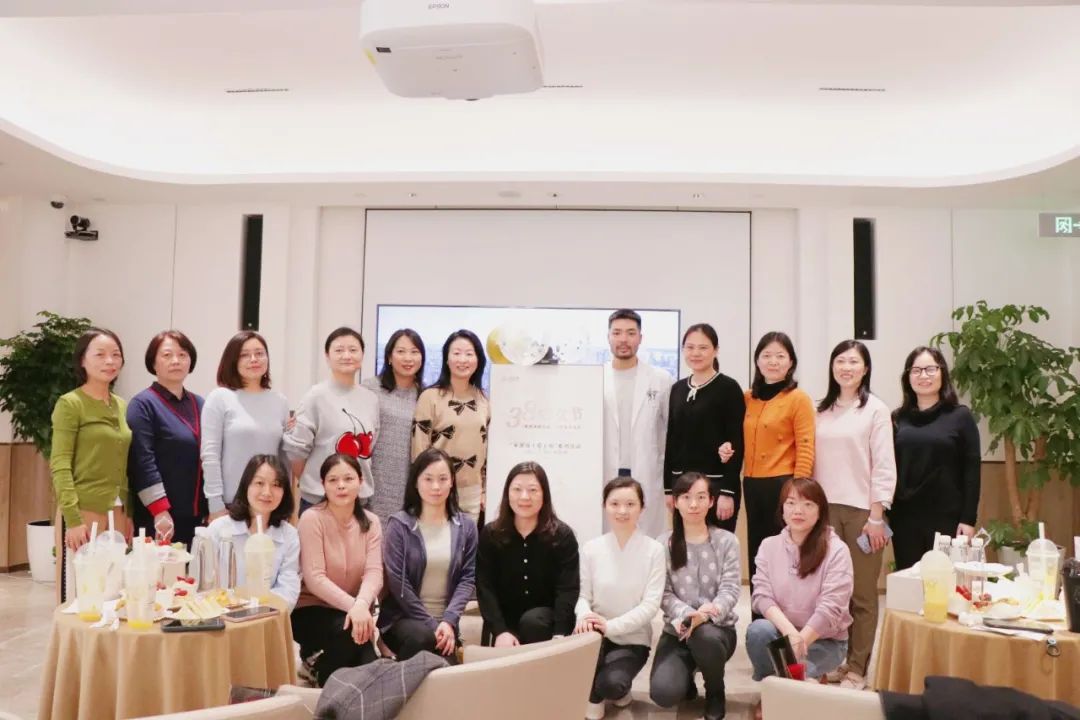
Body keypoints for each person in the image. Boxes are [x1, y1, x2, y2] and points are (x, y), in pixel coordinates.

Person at [813, 340, 896, 690]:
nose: (846, 368)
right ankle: (838, 661)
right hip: (823, 512)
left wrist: (877, 516)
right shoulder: (820, 409)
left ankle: (858, 667)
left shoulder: (876, 410)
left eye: (853, 362)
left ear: (865, 369)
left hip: (863, 513)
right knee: (831, 592)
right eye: (840, 361)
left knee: (862, 594)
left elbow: (884, 465)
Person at [649, 473, 741, 720]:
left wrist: (707, 614)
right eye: (686, 497)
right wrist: (688, 615)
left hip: (717, 631)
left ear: (711, 501)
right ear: (675, 502)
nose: (693, 504)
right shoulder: (663, 544)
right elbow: (663, 593)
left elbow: (731, 589)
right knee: (663, 693)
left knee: (704, 636)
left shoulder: (727, 541)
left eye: (701, 497)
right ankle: (686, 678)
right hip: (677, 632)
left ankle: (715, 692)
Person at [50, 328, 133, 600]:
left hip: (117, 510)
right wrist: (73, 520)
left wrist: (129, 513)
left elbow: (124, 463)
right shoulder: (70, 404)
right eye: (100, 355)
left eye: (116, 355)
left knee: (114, 592)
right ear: (82, 361)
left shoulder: (121, 405)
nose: (110, 361)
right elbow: (60, 464)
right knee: (80, 594)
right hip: (84, 509)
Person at [746, 477, 853, 684]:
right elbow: (761, 596)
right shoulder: (769, 546)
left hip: (824, 641)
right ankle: (778, 686)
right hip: (784, 636)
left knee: (793, 674)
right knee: (759, 631)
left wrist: (801, 640)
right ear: (782, 509)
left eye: (808, 504)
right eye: (791, 503)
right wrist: (790, 634)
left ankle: (786, 684)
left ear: (821, 511)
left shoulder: (837, 550)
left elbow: (831, 607)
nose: (798, 511)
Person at [574, 477, 665, 720]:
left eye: (630, 504)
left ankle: (611, 689)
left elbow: (650, 606)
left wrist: (610, 626)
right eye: (614, 504)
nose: (622, 511)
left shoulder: (654, 551)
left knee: (611, 684)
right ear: (605, 506)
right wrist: (586, 616)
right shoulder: (591, 548)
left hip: (632, 639)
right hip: (593, 637)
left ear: (642, 508)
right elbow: (582, 595)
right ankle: (596, 693)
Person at [378, 447, 478, 662]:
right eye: (428, 479)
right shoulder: (400, 525)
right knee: (422, 639)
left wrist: (448, 621)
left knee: (448, 673)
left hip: (446, 624)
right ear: (416, 482)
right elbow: (398, 584)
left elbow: (467, 578)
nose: (436, 486)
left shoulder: (466, 526)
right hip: (403, 619)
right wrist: (432, 625)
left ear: (452, 482)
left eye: (443, 479)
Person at [293, 453, 383, 687]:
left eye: (348, 479)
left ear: (360, 481)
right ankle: (320, 670)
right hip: (311, 609)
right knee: (352, 633)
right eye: (333, 480)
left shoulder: (372, 522)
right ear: (323, 484)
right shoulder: (312, 518)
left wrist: (361, 604)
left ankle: (320, 668)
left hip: (352, 611)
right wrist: (355, 607)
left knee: (366, 658)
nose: (341, 485)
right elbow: (315, 578)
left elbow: (374, 573)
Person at [891, 346, 981, 570]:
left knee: (945, 581)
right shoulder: (897, 418)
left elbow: (972, 471)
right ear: (907, 377)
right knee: (909, 580)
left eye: (930, 369)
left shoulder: (960, 416)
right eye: (916, 370)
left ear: (943, 373)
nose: (923, 376)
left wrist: (968, 519)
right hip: (905, 518)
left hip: (947, 518)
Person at [742, 331, 815, 602]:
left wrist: (798, 492)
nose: (773, 361)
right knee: (758, 553)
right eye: (767, 355)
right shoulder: (748, 398)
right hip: (752, 484)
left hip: (783, 485)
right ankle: (759, 615)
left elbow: (806, 445)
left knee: (784, 554)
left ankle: (786, 616)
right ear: (757, 361)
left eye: (780, 356)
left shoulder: (798, 398)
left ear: (791, 362)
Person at [476, 461, 579, 646]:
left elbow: (567, 589)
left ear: (544, 494)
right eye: (517, 489)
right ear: (507, 493)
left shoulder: (562, 536)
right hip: (504, 626)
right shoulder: (491, 535)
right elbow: (485, 587)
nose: (524, 497)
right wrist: (500, 631)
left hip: (546, 625)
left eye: (533, 490)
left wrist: (560, 634)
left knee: (533, 622)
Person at [285, 327, 380, 517]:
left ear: (362, 355)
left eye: (353, 350)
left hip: (359, 500)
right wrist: (313, 483)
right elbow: (297, 451)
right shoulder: (315, 396)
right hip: (319, 500)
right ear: (327, 356)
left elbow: (371, 445)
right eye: (339, 350)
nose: (347, 355)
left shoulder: (371, 399)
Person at [127, 330, 205, 547]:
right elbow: (142, 460)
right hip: (159, 516)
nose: (176, 361)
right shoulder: (143, 404)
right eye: (167, 355)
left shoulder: (200, 404)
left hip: (197, 515)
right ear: (153, 363)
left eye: (182, 355)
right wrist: (159, 509)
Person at [664, 323, 745, 533]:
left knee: (718, 544)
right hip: (683, 486)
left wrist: (728, 492)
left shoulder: (729, 388)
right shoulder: (678, 389)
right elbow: (671, 439)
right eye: (690, 347)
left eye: (703, 347)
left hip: (716, 486)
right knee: (685, 545)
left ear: (715, 350)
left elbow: (736, 441)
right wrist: (668, 489)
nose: (696, 353)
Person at [201, 331, 290, 520]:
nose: (253, 359)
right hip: (230, 505)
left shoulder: (280, 401)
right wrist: (215, 505)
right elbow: (210, 455)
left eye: (259, 353)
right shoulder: (220, 398)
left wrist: (286, 505)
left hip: (269, 504)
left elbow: (283, 460)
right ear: (233, 360)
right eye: (244, 355)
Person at [602, 309, 671, 538]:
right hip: (606, 471)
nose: (624, 339)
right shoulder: (596, 378)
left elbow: (671, 430)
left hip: (646, 472)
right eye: (617, 333)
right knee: (608, 539)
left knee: (646, 541)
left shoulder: (660, 379)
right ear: (608, 337)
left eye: (631, 333)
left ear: (640, 338)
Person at [412, 330, 490, 522]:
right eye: (456, 353)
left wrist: (484, 490)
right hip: (436, 489)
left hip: (472, 491)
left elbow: (486, 450)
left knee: (467, 541)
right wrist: (424, 486)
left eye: (469, 354)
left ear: (478, 360)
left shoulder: (483, 400)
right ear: (446, 359)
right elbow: (419, 449)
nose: (462, 359)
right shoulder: (430, 397)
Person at [206, 454, 300, 609]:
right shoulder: (218, 529)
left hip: (267, 616)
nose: (267, 492)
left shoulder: (289, 535)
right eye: (259, 483)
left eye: (276, 484)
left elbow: (288, 589)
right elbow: (205, 584)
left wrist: (256, 611)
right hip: (221, 615)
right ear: (246, 486)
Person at [363, 328, 425, 523]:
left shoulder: (425, 395)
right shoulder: (370, 388)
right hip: (375, 478)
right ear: (389, 357)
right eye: (401, 351)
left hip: (410, 481)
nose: (408, 358)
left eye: (414, 352)